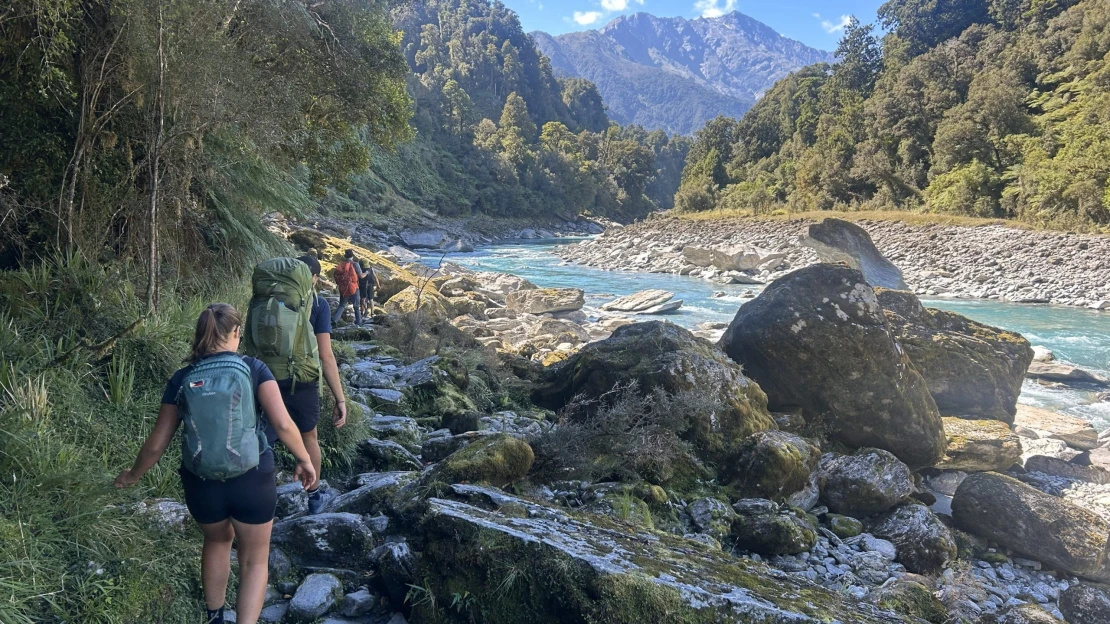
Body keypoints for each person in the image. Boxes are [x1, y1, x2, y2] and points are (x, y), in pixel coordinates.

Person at [115, 304, 316, 624]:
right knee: (254, 561)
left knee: (217, 540)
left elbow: (156, 443)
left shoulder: (182, 378)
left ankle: (214, 617)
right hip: (252, 480)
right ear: (236, 332)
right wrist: (304, 460)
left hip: (202, 484)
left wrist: (132, 475)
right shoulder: (254, 368)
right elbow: (283, 425)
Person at [286, 255, 348, 513]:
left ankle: (255, 494)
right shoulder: (319, 304)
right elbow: (326, 355)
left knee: (262, 434)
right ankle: (313, 498)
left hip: (265, 378)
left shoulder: (268, 301)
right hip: (303, 380)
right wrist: (340, 399)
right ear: (314, 278)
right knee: (309, 436)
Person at [331, 249, 363, 326]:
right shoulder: (355, 264)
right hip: (354, 287)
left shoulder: (342, 264)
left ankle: (334, 320)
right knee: (356, 307)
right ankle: (359, 323)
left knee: (342, 305)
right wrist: (367, 272)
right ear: (352, 256)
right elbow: (361, 276)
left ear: (345, 256)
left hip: (343, 287)